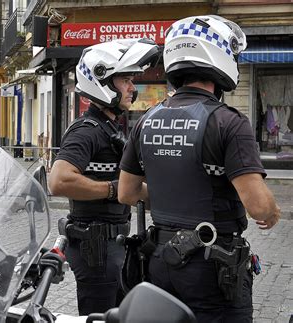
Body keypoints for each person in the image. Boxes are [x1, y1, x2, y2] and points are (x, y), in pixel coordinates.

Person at [118, 15, 281, 322]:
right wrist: (272, 212)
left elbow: (126, 193)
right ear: (218, 56)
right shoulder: (228, 122)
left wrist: (172, 193)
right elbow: (258, 206)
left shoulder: (146, 121)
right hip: (212, 268)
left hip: (159, 262)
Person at [48, 38, 161, 315]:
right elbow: (58, 181)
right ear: (103, 81)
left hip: (112, 245)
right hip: (95, 248)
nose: (133, 88)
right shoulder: (86, 130)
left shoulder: (108, 127)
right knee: (99, 317)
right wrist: (114, 189)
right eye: (125, 80)